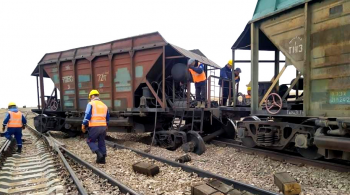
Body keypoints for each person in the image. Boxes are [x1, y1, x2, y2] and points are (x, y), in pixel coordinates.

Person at [82, 90, 110, 164]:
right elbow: (107, 117)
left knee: (90, 141)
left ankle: (98, 153)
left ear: (93, 96)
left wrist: (83, 124)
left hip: (94, 126)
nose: (90, 98)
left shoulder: (91, 104)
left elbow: (87, 115)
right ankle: (102, 160)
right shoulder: (104, 105)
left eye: (90, 97)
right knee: (102, 142)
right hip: (103, 126)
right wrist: (106, 125)